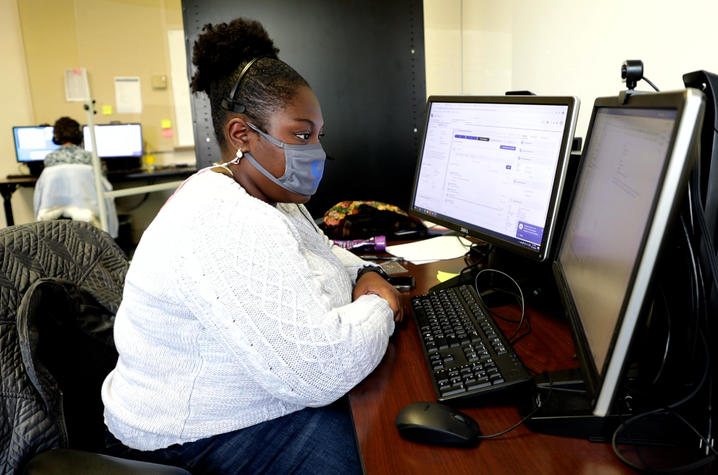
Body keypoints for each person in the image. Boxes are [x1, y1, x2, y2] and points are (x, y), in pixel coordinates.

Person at [101, 17, 402, 474]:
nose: (316, 150)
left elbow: (319, 250)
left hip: (254, 398)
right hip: (189, 436)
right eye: (301, 135)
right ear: (241, 135)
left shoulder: (266, 192)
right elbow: (319, 372)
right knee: (387, 452)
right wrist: (381, 303)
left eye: (319, 135)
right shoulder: (222, 217)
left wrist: (365, 273)